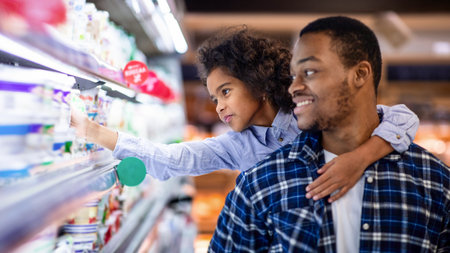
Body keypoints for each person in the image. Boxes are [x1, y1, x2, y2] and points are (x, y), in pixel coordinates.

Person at [71, 27, 419, 203]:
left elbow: (403, 118)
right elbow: (177, 158)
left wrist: (357, 159)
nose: (219, 106)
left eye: (226, 92)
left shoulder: (312, 111)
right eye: (213, 97)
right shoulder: (240, 145)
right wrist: (95, 132)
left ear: (258, 83)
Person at [209, 17, 449, 252]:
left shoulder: (435, 183)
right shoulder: (259, 184)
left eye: (310, 71)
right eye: (293, 76)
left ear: (360, 74)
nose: (293, 87)